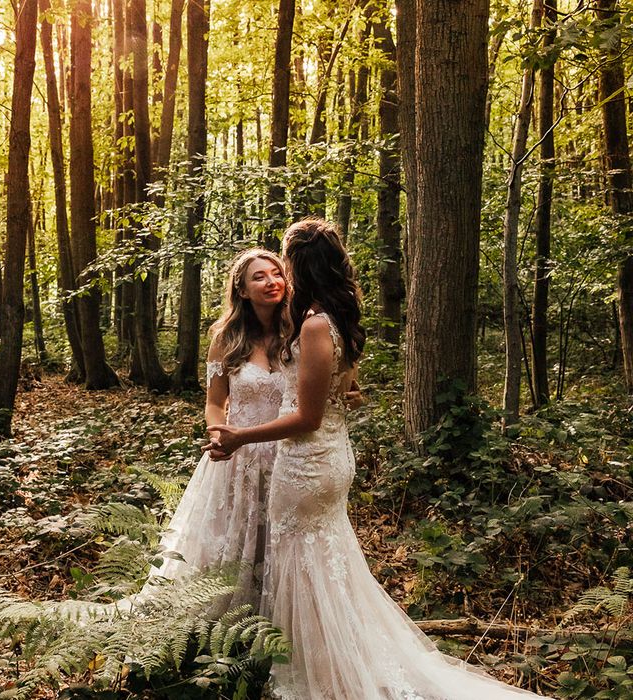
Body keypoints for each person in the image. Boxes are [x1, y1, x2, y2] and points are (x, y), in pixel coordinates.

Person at [206, 219, 551, 699]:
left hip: (306, 461)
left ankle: (320, 672)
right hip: (328, 457)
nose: (277, 272)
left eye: (283, 260)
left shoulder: (311, 323)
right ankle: (324, 652)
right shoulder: (329, 317)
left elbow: (305, 417)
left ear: (298, 264)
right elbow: (337, 390)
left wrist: (241, 436)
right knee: (323, 565)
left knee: (303, 567)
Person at [148, 248, 288, 611]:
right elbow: (214, 402)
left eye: (277, 273)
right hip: (235, 453)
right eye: (259, 276)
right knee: (232, 538)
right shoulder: (227, 339)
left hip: (288, 454)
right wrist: (218, 436)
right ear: (241, 290)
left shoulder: (299, 332)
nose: (272, 281)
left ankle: (278, 615)